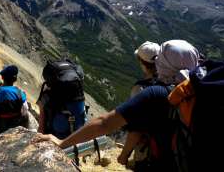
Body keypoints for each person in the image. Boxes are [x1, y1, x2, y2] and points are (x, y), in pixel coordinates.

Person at [34, 40, 200, 172]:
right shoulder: (204, 87)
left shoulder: (155, 93)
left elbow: (105, 123)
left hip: (165, 161)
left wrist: (62, 143)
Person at [118, 41, 160, 169]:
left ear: (142, 63)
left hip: (148, 151)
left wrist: (125, 154)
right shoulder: (174, 80)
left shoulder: (141, 89)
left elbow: (136, 128)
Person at [37, 59, 86, 139]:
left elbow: (41, 127)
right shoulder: (78, 93)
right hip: (77, 135)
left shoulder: (46, 97)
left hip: (56, 137)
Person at [0, 65, 29, 135]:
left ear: (2, 77)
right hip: (15, 128)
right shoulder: (20, 93)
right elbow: (25, 111)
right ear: (15, 79)